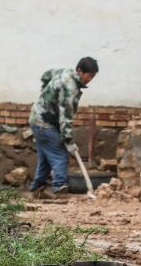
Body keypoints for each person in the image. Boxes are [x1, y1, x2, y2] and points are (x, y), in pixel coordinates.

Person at [28, 57, 98, 196]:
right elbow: (65, 118)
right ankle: (59, 187)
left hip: (37, 117)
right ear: (79, 71)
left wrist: (46, 96)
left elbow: (46, 75)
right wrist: (69, 141)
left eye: (93, 76)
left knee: (46, 157)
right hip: (44, 122)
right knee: (60, 154)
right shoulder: (69, 88)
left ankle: (37, 187)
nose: (90, 79)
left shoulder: (64, 72)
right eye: (89, 76)